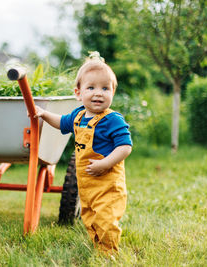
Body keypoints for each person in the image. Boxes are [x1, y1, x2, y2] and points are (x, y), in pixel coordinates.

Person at [35, 52, 132, 254]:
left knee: (105, 218)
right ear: (78, 93)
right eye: (91, 87)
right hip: (86, 184)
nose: (98, 93)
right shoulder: (78, 116)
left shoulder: (113, 119)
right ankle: (98, 246)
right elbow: (61, 122)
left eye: (105, 88)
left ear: (113, 92)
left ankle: (109, 253)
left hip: (107, 184)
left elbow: (125, 147)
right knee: (90, 218)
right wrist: (44, 114)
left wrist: (105, 163)